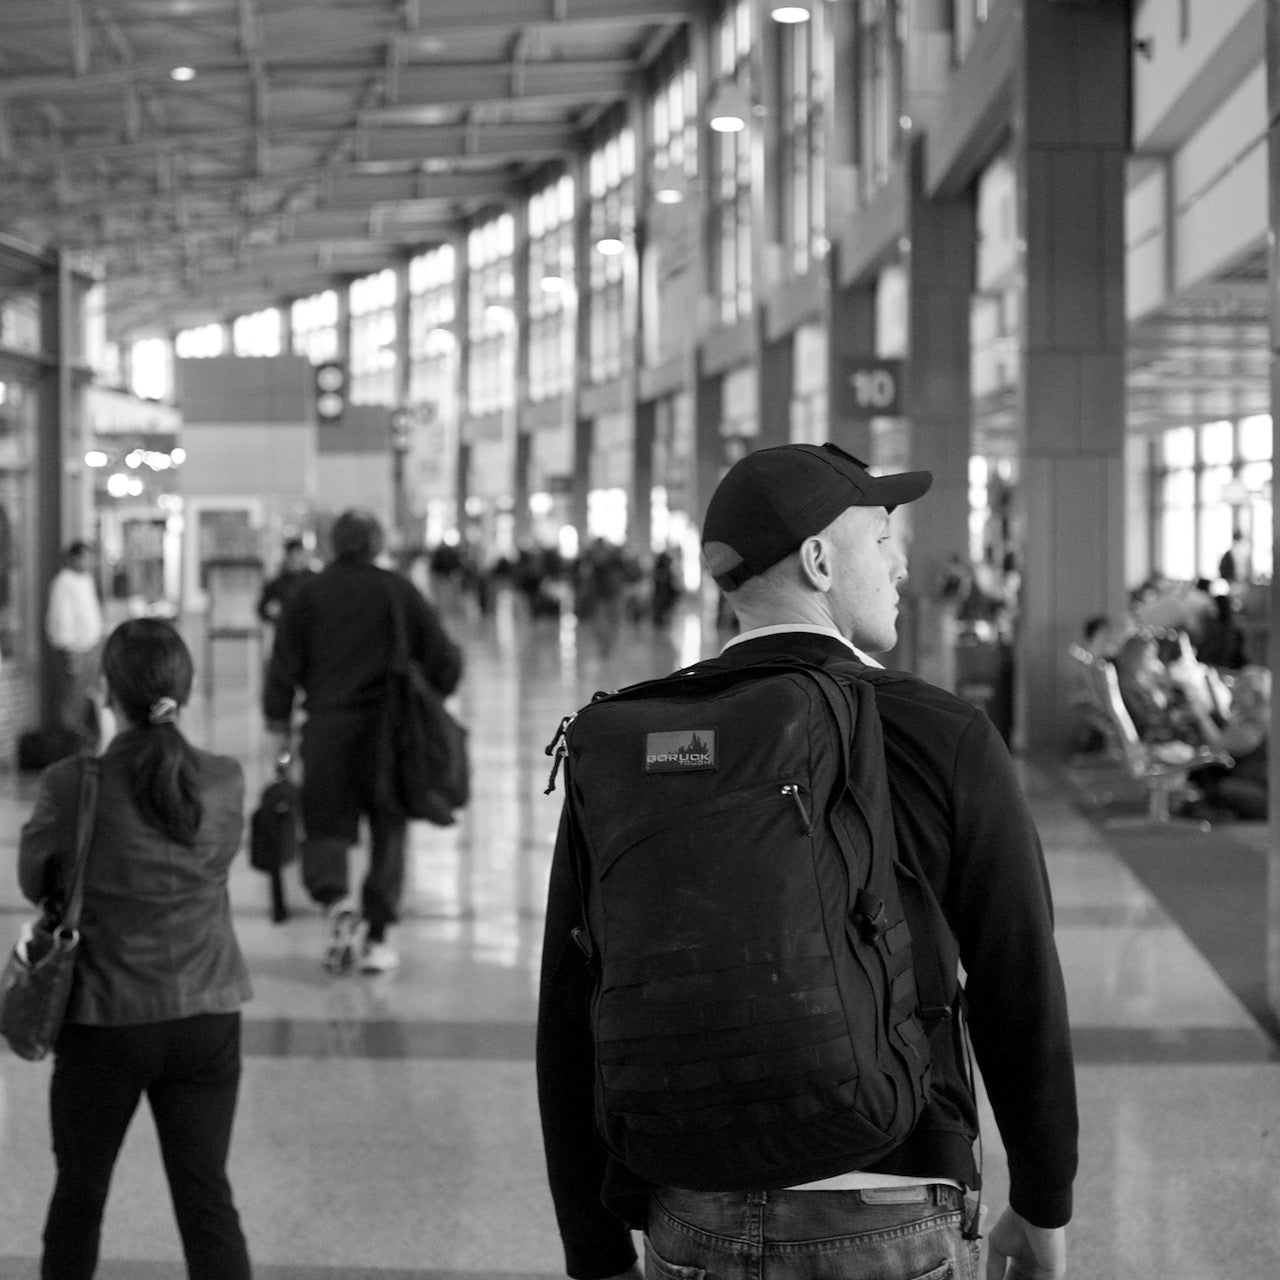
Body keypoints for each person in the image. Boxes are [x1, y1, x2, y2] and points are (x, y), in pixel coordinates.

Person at [537, 443, 1077, 1280]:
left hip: (689, 1208)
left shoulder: (636, 743)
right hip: (892, 1198)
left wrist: (592, 1245)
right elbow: (1019, 982)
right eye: (880, 537)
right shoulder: (942, 734)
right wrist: (1044, 1199)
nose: (900, 562)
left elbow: (572, 1000)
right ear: (821, 561)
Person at [18, 618, 253, 1280]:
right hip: (208, 1015)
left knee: (80, 1196)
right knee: (207, 1198)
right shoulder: (224, 780)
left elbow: (37, 878)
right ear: (188, 689)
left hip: (103, 1018)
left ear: (105, 691)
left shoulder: (73, 783)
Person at [262, 508, 462, 974]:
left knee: (326, 823)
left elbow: (282, 669)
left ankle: (336, 906)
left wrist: (278, 725)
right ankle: (376, 936)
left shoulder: (307, 593)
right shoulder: (398, 590)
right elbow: (445, 660)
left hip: (327, 727)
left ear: (332, 545)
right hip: (389, 733)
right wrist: (430, 691)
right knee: (388, 827)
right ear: (376, 544)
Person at [46, 539, 105, 746]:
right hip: (73, 650)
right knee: (72, 699)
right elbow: (62, 618)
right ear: (73, 558)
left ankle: (83, 742)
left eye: (91, 557)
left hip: (91, 648)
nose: (90, 562)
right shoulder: (64, 582)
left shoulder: (86, 580)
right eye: (85, 557)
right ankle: (69, 745)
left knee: (86, 698)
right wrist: (69, 649)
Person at [256, 536, 315, 625]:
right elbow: (262, 610)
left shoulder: (312, 580)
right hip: (286, 631)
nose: (296, 559)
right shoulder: (277, 583)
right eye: (292, 555)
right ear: (287, 556)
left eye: (298, 554)